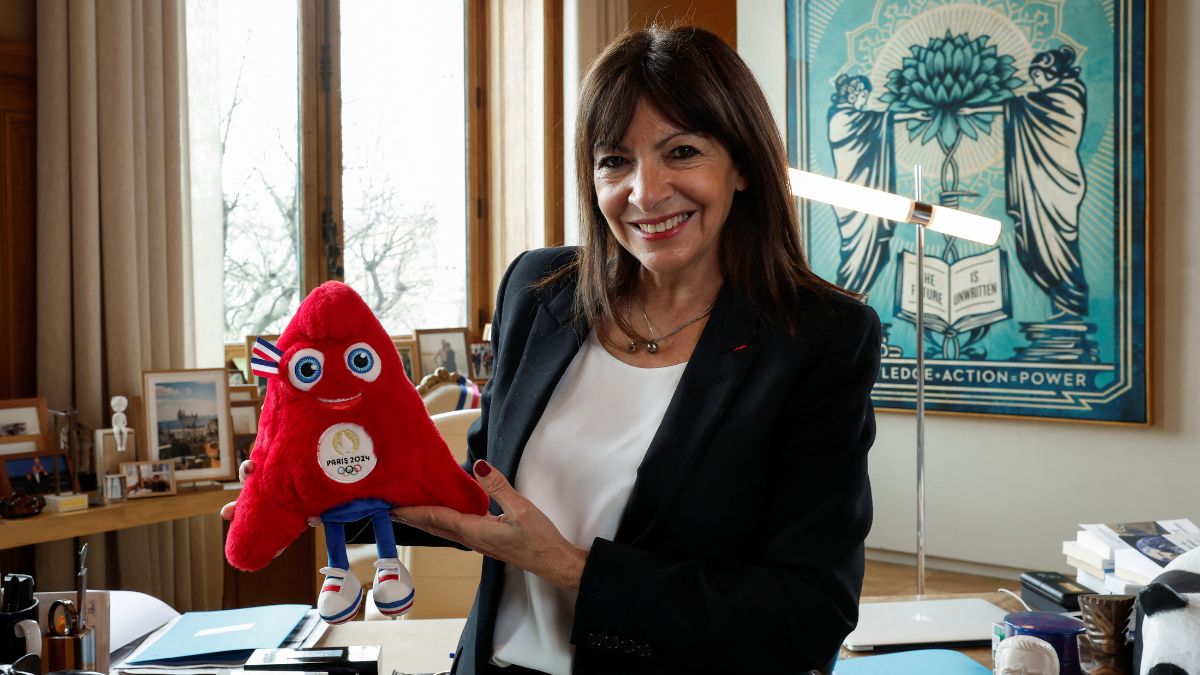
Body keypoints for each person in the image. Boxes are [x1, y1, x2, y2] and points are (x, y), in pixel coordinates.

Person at [224, 25, 879, 674]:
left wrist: (570, 569)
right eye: (614, 160)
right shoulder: (538, 292)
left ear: (741, 164)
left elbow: (805, 614)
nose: (644, 192)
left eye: (681, 151)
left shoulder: (818, 339)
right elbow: (483, 491)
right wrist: (332, 495)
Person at [961, 46, 1089, 321]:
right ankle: (1062, 305)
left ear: (1055, 73)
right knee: (1031, 248)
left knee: (1057, 246)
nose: (1037, 82)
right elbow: (1018, 106)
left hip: (1056, 188)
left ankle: (1072, 305)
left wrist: (978, 107)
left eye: (1041, 76)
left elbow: (1020, 107)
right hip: (1034, 188)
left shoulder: (1068, 98)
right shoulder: (1039, 101)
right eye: (1034, 76)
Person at [826, 74, 927, 294]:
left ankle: (856, 304)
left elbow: (877, 119)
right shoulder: (840, 119)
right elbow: (879, 119)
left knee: (876, 253)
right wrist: (910, 114)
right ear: (856, 94)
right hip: (855, 203)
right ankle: (848, 304)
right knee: (856, 259)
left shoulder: (854, 117)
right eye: (864, 96)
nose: (865, 101)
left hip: (869, 202)